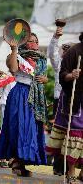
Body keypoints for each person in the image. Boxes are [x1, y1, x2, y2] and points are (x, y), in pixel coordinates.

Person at [0, 33, 48, 177]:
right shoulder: (18, 56)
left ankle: (21, 163)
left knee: (31, 130)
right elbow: (12, 69)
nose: (35, 44)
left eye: (36, 41)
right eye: (31, 41)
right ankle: (16, 160)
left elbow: (44, 78)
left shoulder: (41, 59)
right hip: (20, 94)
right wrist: (14, 50)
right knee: (20, 128)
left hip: (35, 96)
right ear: (24, 43)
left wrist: (45, 79)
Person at [49, 32, 83, 183]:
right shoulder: (74, 51)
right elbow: (62, 75)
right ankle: (70, 173)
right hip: (74, 100)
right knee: (74, 136)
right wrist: (72, 75)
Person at [46, 26, 74, 176]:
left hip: (75, 102)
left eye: (70, 50)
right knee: (59, 134)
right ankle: (58, 167)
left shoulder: (77, 66)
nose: (67, 52)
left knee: (73, 135)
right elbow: (51, 52)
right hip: (60, 101)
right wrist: (56, 38)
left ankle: (69, 167)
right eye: (65, 49)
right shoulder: (59, 64)